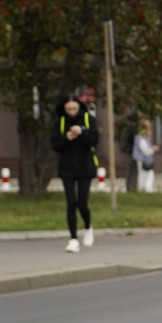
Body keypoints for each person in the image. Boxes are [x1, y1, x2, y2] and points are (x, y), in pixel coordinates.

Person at [51, 95, 99, 253]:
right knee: (71, 202)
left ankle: (87, 227)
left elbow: (94, 140)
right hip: (67, 168)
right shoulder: (61, 122)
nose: (71, 112)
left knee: (82, 203)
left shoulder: (88, 119)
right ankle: (73, 239)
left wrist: (82, 132)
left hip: (85, 167)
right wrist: (67, 137)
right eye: (68, 109)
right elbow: (55, 145)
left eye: (74, 108)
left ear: (79, 107)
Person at [132, 119, 158, 193]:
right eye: (148, 129)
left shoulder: (142, 138)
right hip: (143, 160)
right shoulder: (141, 138)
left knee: (144, 176)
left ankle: (143, 190)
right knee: (146, 175)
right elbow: (146, 151)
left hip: (143, 160)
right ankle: (146, 190)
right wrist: (153, 149)